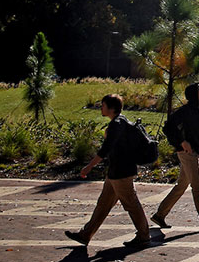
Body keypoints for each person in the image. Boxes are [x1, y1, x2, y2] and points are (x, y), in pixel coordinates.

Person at [65, 94, 151, 250]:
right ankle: (86, 234)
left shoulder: (116, 125)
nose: (101, 108)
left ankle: (144, 235)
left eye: (103, 105)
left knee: (131, 204)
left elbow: (105, 149)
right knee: (103, 205)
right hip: (117, 171)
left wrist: (89, 166)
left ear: (111, 108)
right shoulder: (122, 120)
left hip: (121, 172)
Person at [152, 82, 199, 231]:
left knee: (181, 186)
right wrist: (181, 142)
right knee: (198, 188)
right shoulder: (182, 112)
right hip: (186, 153)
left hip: (195, 152)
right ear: (193, 95)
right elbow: (168, 128)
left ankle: (160, 215)